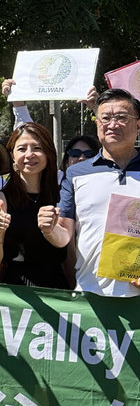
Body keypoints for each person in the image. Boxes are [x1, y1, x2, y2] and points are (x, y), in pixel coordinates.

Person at [39, 88, 140, 297]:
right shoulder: (76, 173)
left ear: (138, 124)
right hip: (91, 293)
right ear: (97, 123)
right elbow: (64, 235)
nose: (112, 124)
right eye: (105, 118)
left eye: (122, 117)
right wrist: (49, 229)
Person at [0, 123, 69, 288]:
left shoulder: (63, 194)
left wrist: (51, 230)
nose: (30, 155)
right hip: (16, 294)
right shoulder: (2, 198)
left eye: (37, 148)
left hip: (57, 290)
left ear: (48, 153)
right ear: (12, 156)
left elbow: (67, 243)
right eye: (22, 149)